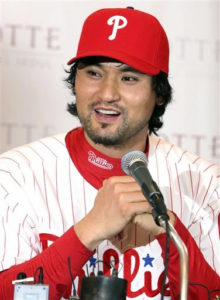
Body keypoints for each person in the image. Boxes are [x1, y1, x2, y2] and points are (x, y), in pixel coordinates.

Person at [0, 6, 219, 300]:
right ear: (74, 82)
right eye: (93, 73)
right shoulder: (14, 176)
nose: (106, 93)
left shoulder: (205, 184)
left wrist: (173, 237)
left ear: (160, 93)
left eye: (129, 78)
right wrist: (86, 234)